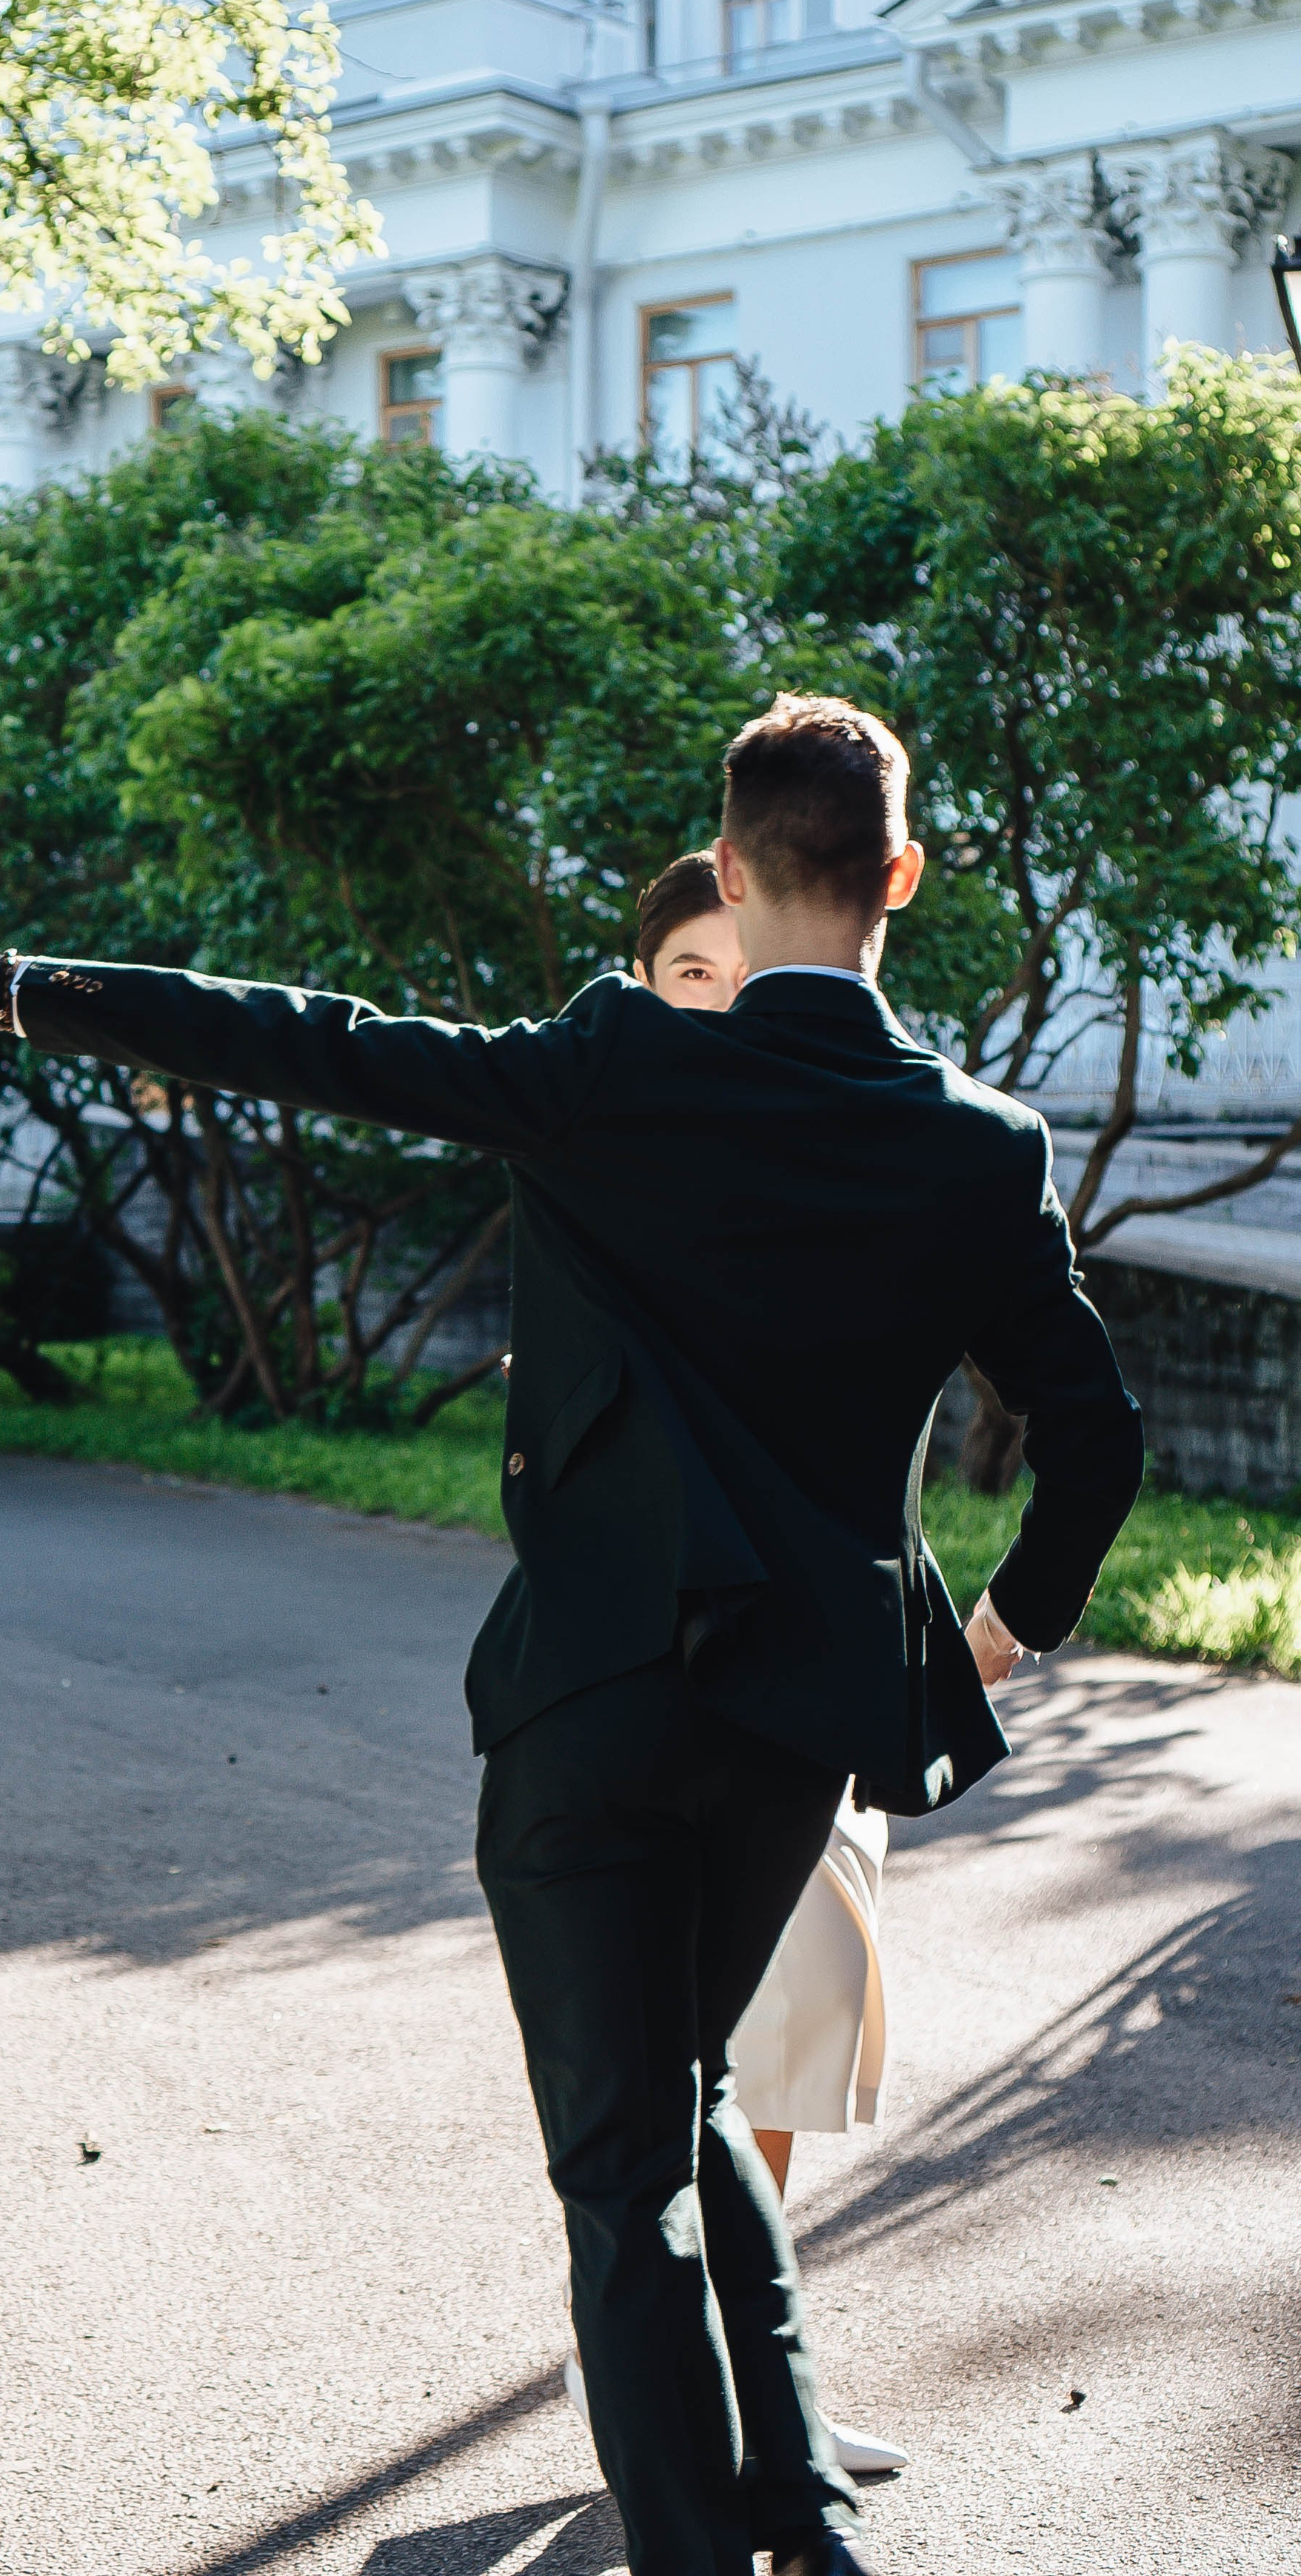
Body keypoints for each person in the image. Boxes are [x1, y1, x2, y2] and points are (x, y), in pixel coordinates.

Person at [0, 694, 1144, 2576]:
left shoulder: (610, 1068)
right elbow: (1095, 1436)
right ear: (898, 880)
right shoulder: (974, 1148)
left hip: (587, 1706)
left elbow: (323, 1046)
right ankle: (805, 2511)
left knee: (623, 2175)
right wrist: (999, 1640)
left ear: (735, 876)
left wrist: (18, 986)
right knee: (676, 2115)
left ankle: (728, 2541)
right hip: (790, 1741)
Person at [590, 847, 905, 2483]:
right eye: (685, 978)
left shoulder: (847, 1155)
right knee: (691, 2060)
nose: (719, 1005)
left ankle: (751, 2385)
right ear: (639, 995)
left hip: (824, 1689)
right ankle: (692, 2401)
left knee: (782, 2050)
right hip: (667, 1695)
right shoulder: (617, 1159)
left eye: (741, 971)